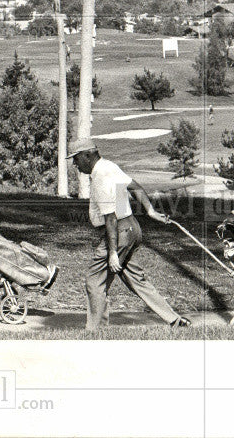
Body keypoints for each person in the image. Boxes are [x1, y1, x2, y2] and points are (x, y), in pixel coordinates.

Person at [69, 138, 190, 331]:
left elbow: (110, 218)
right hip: (132, 228)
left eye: (76, 159)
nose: (75, 164)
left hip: (119, 231)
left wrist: (113, 253)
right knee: (135, 279)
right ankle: (175, 320)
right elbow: (134, 187)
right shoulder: (109, 166)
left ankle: (95, 332)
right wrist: (150, 211)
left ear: (88, 155)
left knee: (94, 280)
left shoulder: (101, 176)